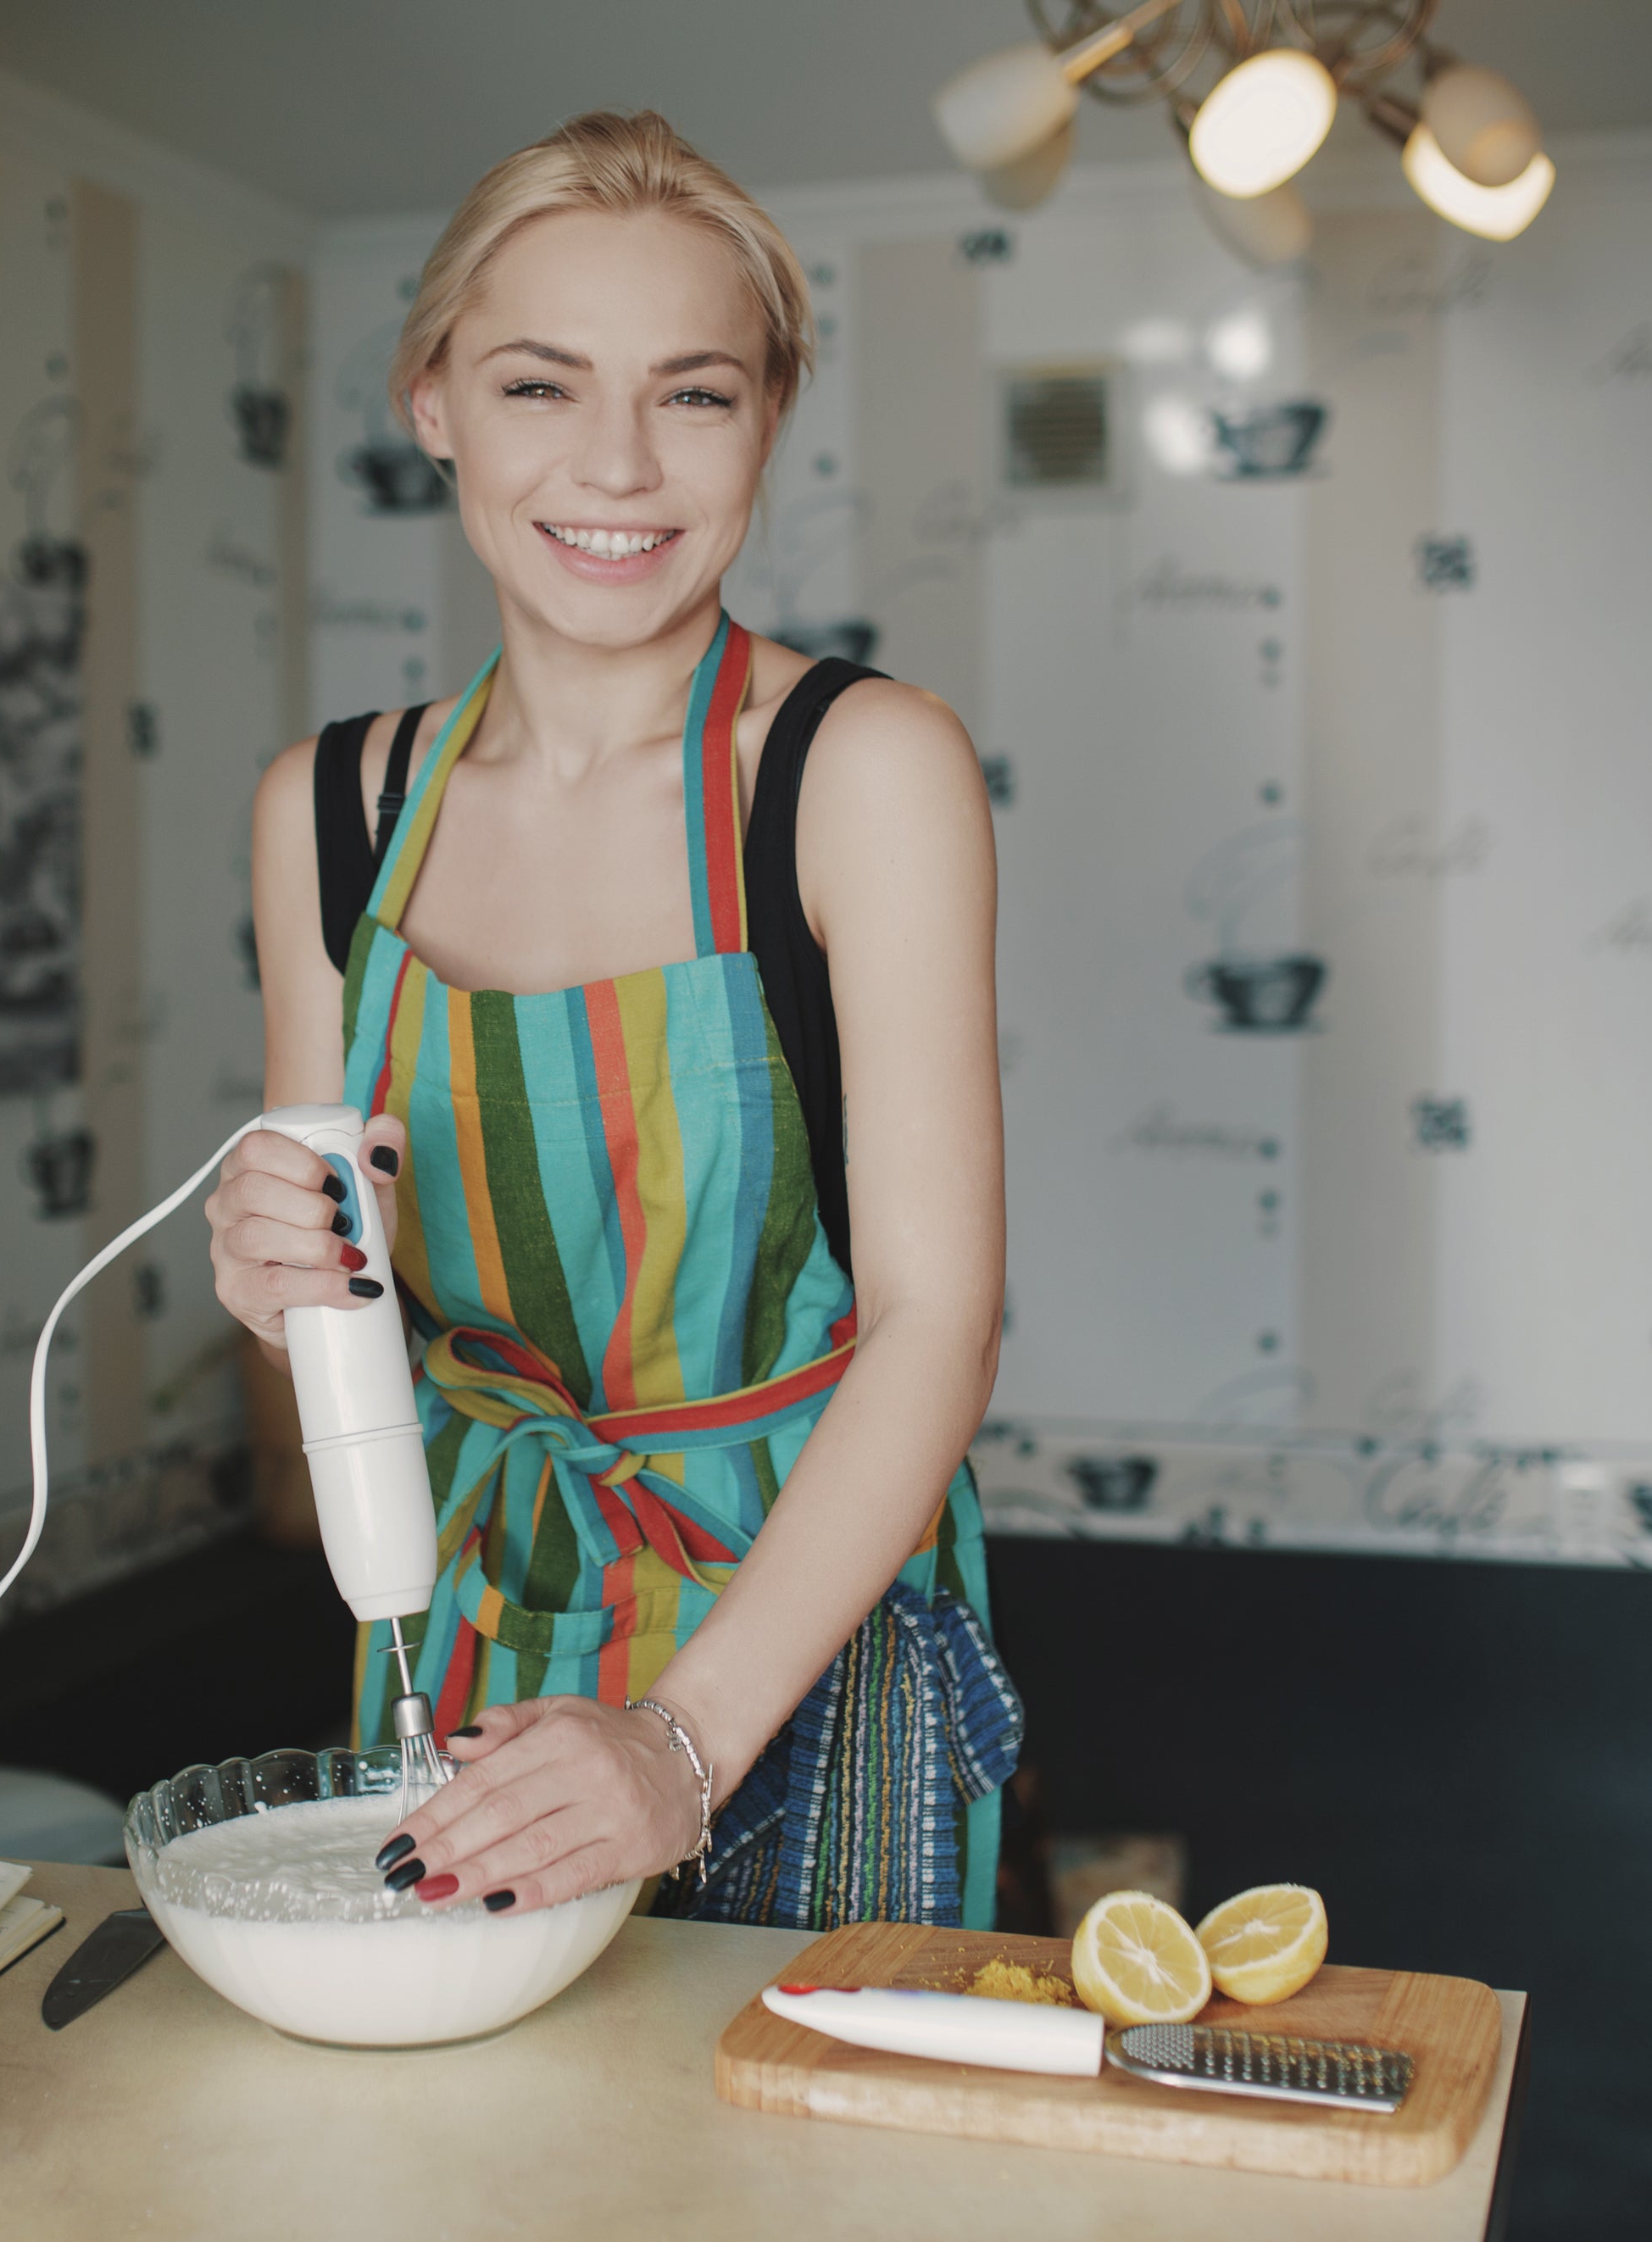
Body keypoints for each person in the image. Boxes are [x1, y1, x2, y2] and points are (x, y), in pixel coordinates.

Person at [208, 109, 1018, 1933]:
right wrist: (268, 1270)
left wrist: (679, 1742)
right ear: (433, 405)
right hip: (477, 1606)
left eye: (696, 394)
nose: (620, 466)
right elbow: (334, 1302)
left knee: (801, 2179)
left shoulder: (856, 772)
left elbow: (939, 1320)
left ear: (768, 420)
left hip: (801, 1641)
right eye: (539, 386)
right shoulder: (326, 814)